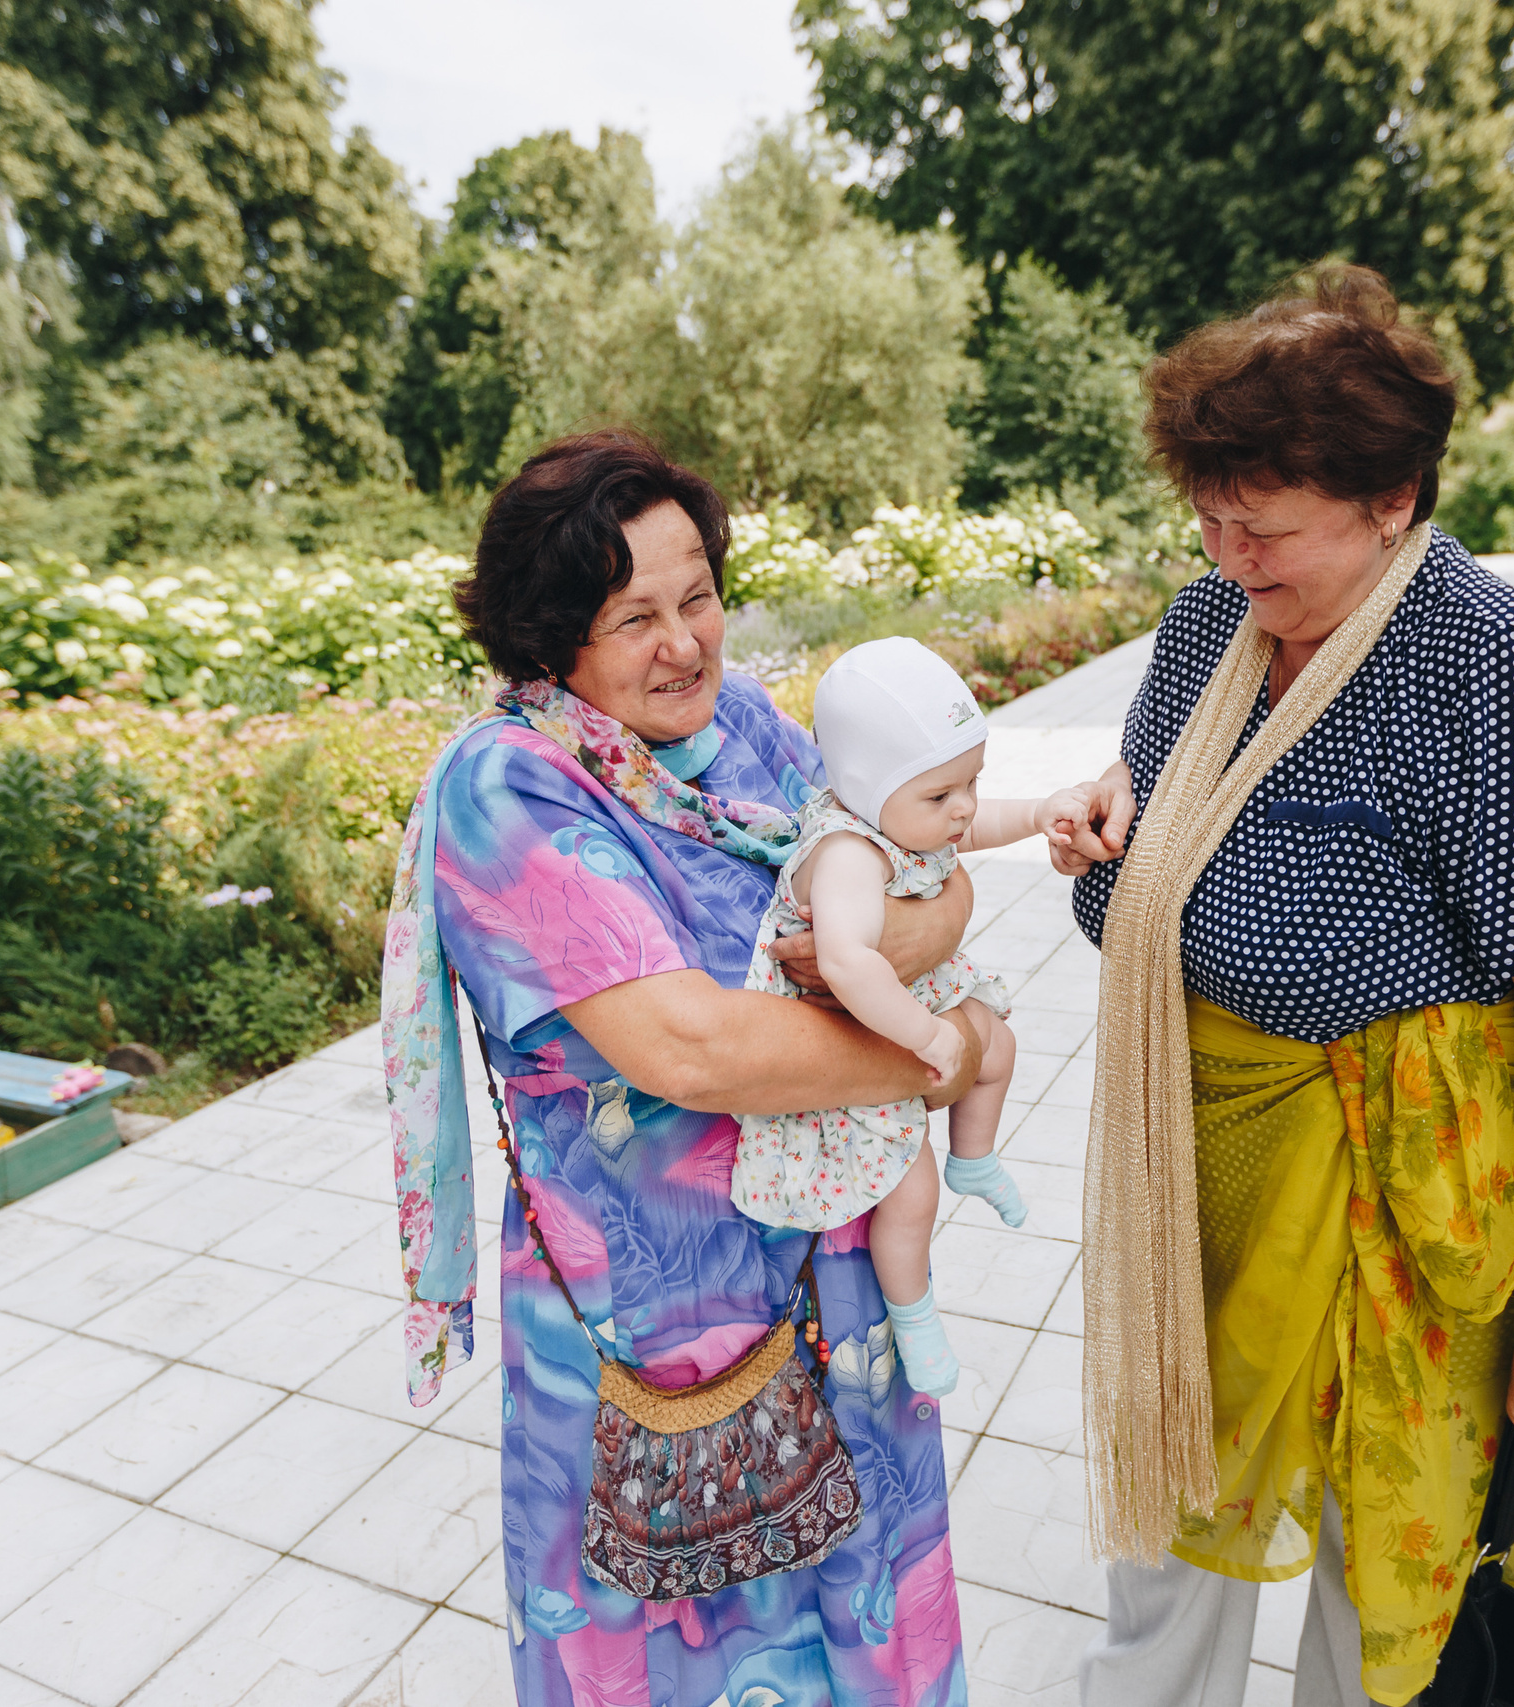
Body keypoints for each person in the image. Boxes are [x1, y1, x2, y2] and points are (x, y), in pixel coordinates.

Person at [1053, 265, 1514, 1707]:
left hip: (1412, 1226)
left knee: (1374, 1580)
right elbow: (1159, 830)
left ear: (1391, 497)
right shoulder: (1211, 629)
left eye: (1259, 525)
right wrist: (1112, 828)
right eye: (1204, 516)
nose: (1222, 553)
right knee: (1171, 1543)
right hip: (1210, 1185)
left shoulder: (1505, 670)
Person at [382, 431, 978, 1705]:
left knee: (868, 1626)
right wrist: (935, 1048)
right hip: (658, 1343)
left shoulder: (748, 729)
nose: (686, 643)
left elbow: (925, 879)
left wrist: (909, 971)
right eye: (634, 615)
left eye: (698, 596)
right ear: (551, 637)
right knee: (674, 1663)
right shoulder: (516, 788)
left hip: (832, 1298)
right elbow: (692, 1049)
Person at [732, 636, 1090, 1396]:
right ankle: (915, 1314)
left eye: (971, 782)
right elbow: (848, 962)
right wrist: (929, 1035)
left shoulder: (906, 814)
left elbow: (978, 824)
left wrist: (1040, 810)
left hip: (905, 1007)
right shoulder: (848, 854)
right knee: (909, 1190)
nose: (962, 807)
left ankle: (977, 1154)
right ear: (866, 789)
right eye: (940, 795)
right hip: (855, 1029)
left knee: (998, 1047)